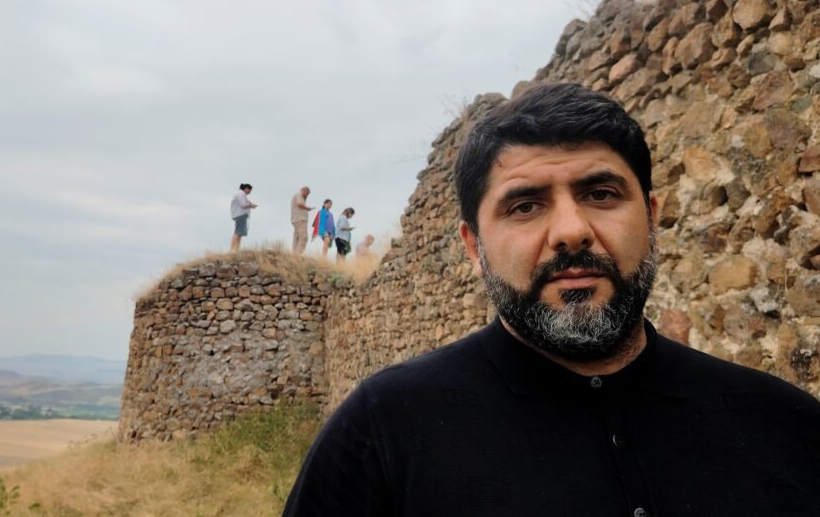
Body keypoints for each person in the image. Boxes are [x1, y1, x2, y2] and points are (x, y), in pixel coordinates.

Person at [283, 83, 820, 516]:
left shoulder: (787, 424)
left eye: (601, 194)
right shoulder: (381, 433)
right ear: (474, 247)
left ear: (652, 218)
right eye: (525, 206)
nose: (571, 231)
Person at [229, 183, 257, 252]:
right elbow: (243, 204)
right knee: (237, 233)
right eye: (250, 190)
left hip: (241, 215)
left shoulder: (241, 194)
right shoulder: (241, 194)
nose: (250, 192)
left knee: (240, 233)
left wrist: (250, 204)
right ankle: (233, 250)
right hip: (241, 215)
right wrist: (251, 205)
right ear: (246, 188)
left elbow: (244, 204)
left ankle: (236, 250)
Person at [291, 186, 314, 254]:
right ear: (303, 190)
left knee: (297, 238)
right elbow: (299, 203)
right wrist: (307, 208)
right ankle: (297, 254)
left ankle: (294, 254)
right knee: (304, 237)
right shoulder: (299, 195)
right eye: (307, 194)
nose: (307, 196)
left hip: (296, 219)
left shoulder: (297, 196)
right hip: (300, 219)